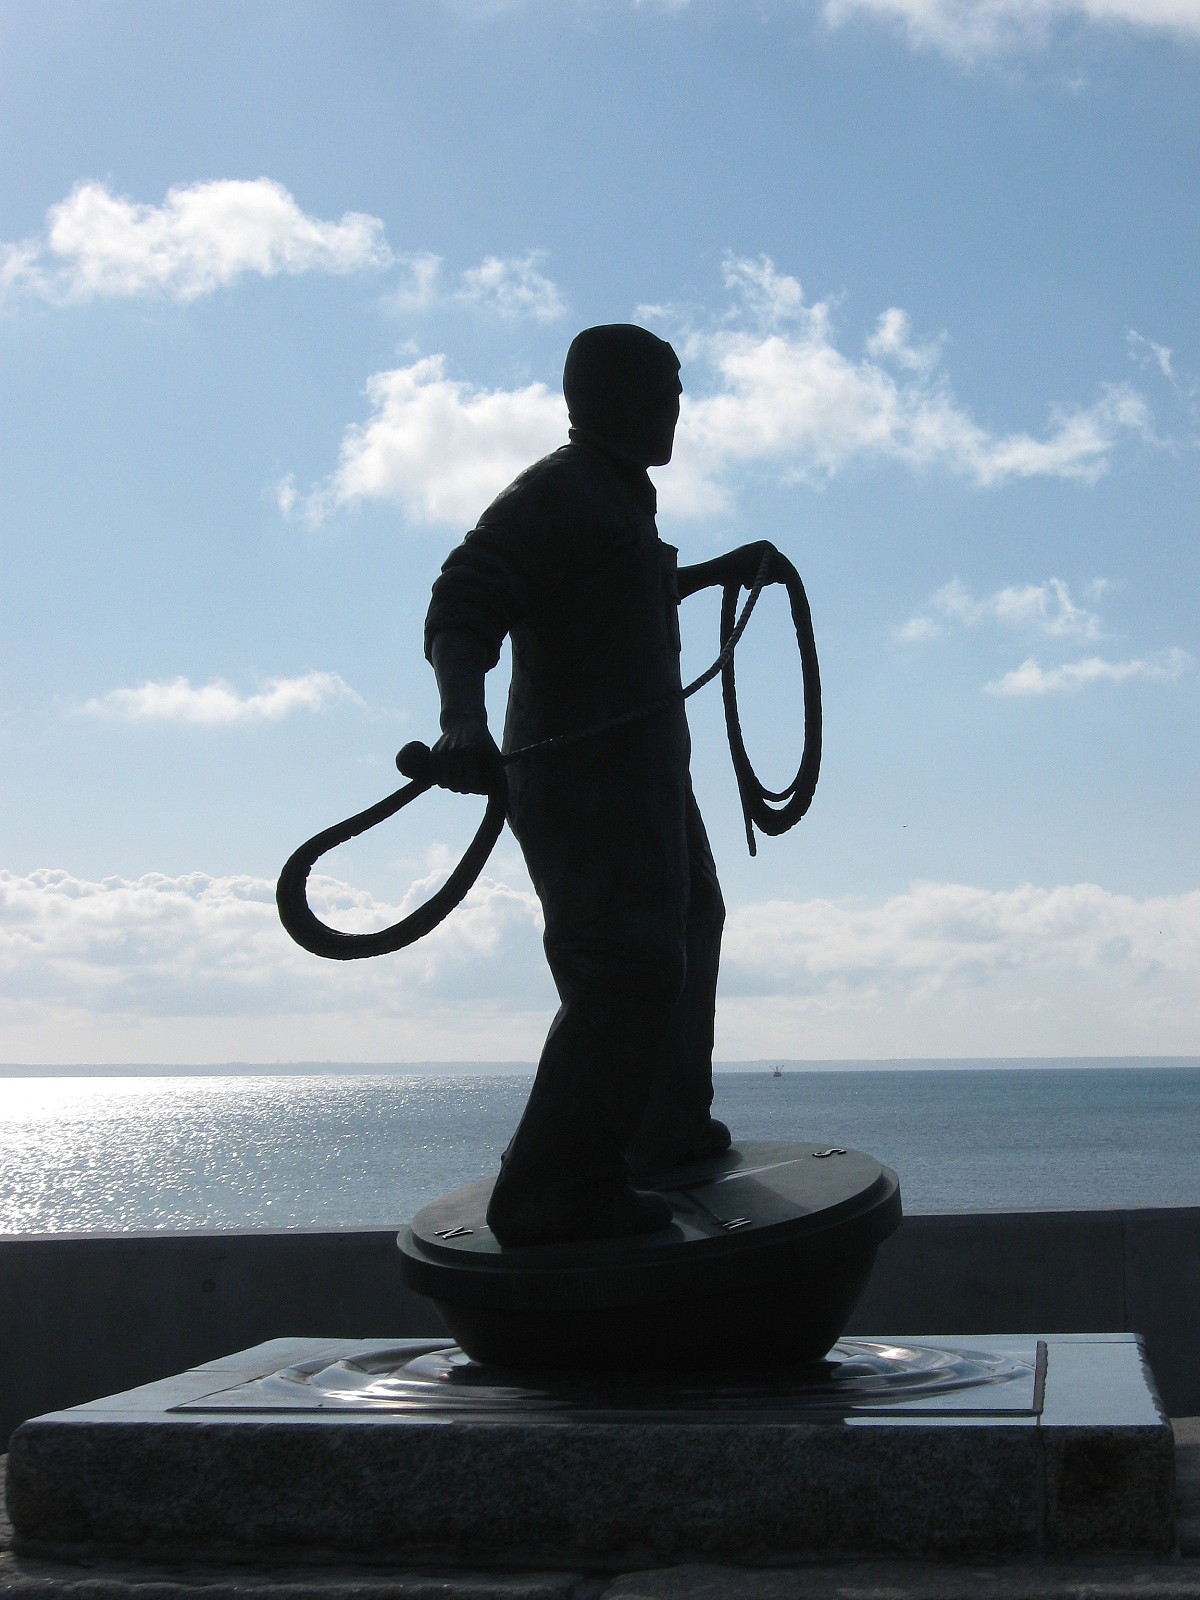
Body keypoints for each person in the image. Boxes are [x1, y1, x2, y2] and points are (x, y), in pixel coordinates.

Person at [424, 324, 766, 1247]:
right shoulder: (561, 491)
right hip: (584, 779)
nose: (676, 409)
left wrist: (710, 577)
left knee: (692, 923)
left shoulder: (615, 499)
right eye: (665, 391)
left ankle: (661, 1131)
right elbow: (464, 599)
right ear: (613, 400)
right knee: (625, 969)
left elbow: (608, 597)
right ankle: (552, 1188)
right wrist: (464, 720)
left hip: (649, 774)